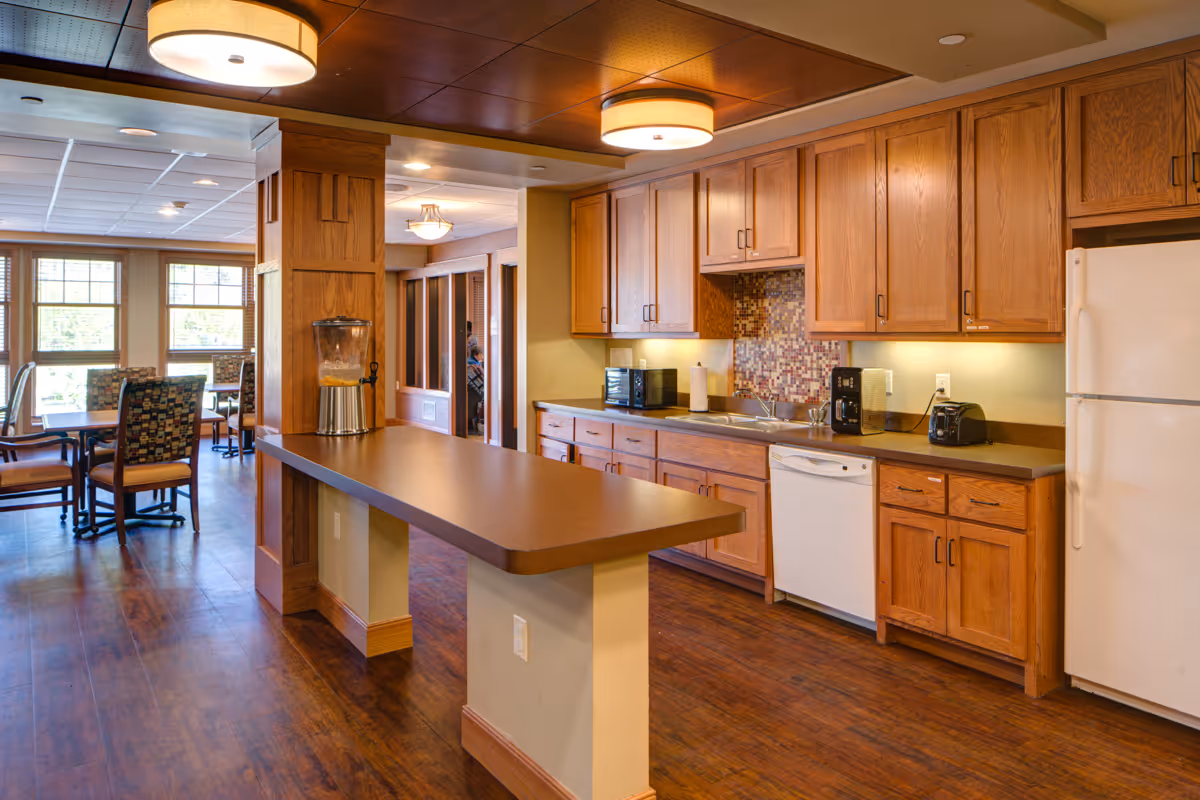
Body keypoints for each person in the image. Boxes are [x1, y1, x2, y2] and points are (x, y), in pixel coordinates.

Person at [467, 344, 485, 435]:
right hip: (475, 394)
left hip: (474, 393)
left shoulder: (473, 365)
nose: (482, 356)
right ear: (476, 355)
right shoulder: (472, 367)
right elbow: (483, 381)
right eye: (481, 354)